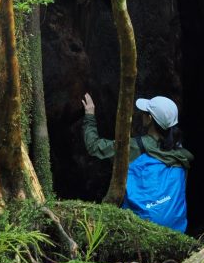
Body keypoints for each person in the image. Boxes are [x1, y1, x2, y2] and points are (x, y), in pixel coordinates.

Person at [81, 92, 193, 232]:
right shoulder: (181, 154)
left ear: (150, 118)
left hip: (142, 228)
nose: (142, 114)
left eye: (145, 112)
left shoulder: (134, 147)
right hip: (176, 229)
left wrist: (89, 115)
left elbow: (94, 146)